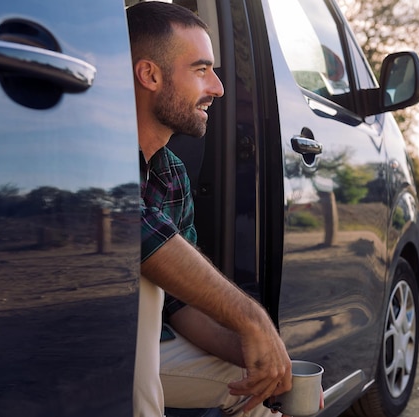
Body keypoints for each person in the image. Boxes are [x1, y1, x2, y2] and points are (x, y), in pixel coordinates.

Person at [127, 3, 293, 417]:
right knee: (144, 276)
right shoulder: (95, 161)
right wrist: (252, 318)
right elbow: (135, 233)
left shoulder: (171, 172)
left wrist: (256, 350)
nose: (218, 87)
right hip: (84, 348)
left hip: (153, 352)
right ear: (150, 74)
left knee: (254, 385)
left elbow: (180, 303)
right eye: (202, 70)